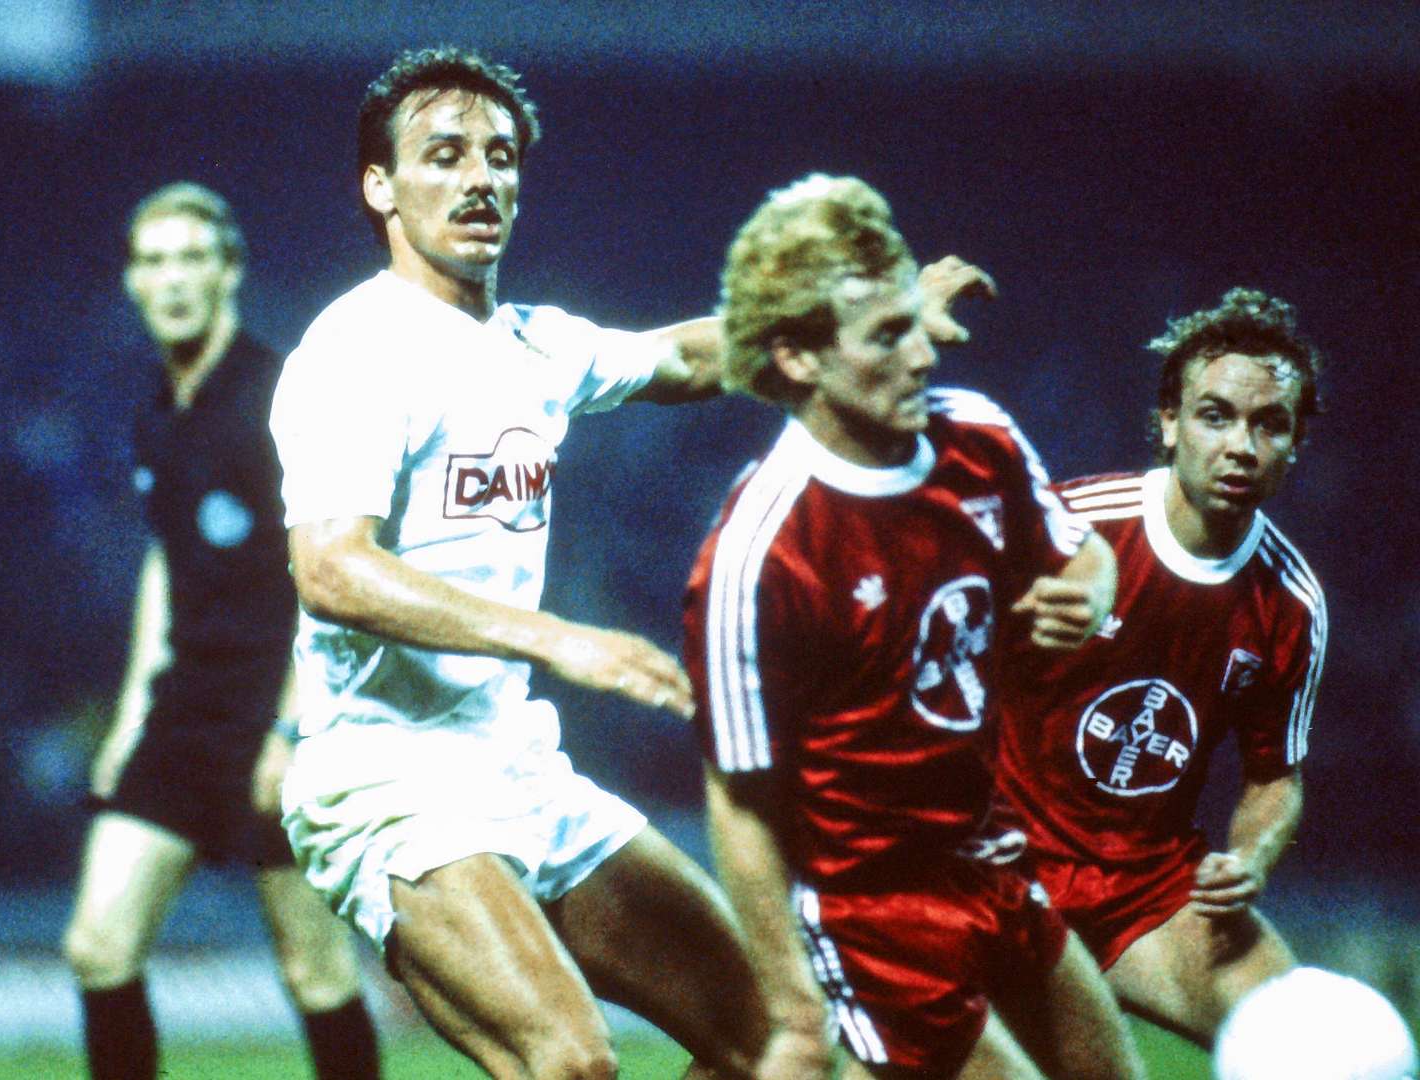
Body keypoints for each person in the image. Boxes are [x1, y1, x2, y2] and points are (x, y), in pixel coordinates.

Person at [266, 46, 815, 1080]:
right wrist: (555, 639)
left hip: (516, 766)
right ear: (380, 187)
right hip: (387, 780)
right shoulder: (356, 352)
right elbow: (331, 568)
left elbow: (691, 356)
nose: (480, 178)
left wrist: (854, 320)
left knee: (784, 1042)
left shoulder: (535, 347)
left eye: (500, 156)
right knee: (570, 1062)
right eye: (444, 155)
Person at [685, 173, 1147, 1080]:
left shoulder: (980, 438)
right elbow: (738, 805)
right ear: (797, 358)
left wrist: (1090, 596)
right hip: (871, 909)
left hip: (993, 858)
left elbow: (1083, 554)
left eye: (916, 323)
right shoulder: (761, 551)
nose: (925, 356)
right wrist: (793, 1010)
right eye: (888, 335)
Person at [61, 182, 380, 1080]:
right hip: (184, 717)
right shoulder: (158, 413)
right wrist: (133, 715)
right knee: (97, 946)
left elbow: (328, 571)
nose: (172, 279)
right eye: (153, 261)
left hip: (276, 714)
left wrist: (292, 728)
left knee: (315, 970)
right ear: (131, 281)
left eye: (192, 258)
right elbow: (167, 563)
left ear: (230, 271)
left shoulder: (279, 399)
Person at [989, 287, 1326, 1045]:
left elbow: (1275, 775)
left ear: (1296, 442)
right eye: (1216, 416)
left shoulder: (1292, 602)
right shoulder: (1073, 528)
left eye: (1269, 424)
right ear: (1170, 422)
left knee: (1309, 1049)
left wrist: (1250, 858)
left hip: (1144, 889)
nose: (1241, 446)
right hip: (995, 860)